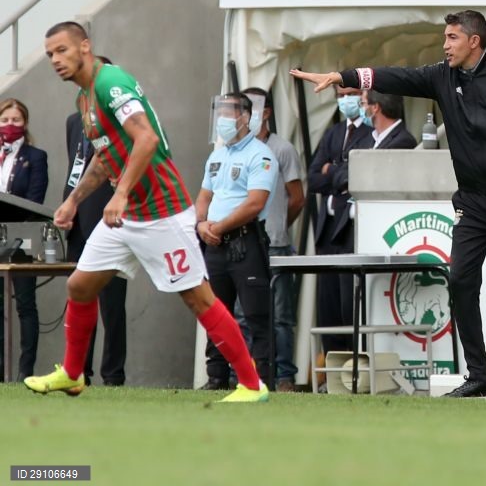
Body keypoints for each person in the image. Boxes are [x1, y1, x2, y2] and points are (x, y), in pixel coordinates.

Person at [292, 10, 486, 399]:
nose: (445, 45)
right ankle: (479, 377)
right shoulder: (441, 76)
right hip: (473, 203)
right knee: (461, 280)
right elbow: (394, 76)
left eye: (452, 38)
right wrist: (342, 76)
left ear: (474, 41)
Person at [24, 21, 266, 403]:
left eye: (62, 50)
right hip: (125, 216)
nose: (55, 59)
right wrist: (74, 200)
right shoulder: (85, 99)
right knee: (79, 286)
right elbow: (105, 157)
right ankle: (72, 374)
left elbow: (147, 138)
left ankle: (252, 385)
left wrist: (119, 194)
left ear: (85, 46)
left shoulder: (110, 83)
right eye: (50, 53)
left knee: (198, 298)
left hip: (161, 212)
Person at [196, 93, 277, 390]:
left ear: (245, 117)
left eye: (228, 113)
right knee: (215, 312)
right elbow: (204, 197)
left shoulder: (260, 155)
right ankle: (216, 376)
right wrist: (201, 224)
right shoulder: (217, 156)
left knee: (256, 314)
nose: (222, 120)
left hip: (246, 243)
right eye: (219, 113)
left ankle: (261, 378)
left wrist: (217, 227)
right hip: (214, 245)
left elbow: (255, 203)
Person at [63, 56, 128, 387]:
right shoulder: (75, 121)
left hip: (111, 215)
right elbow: (76, 167)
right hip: (79, 217)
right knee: (79, 294)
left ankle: (113, 374)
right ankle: (78, 370)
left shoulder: (122, 119)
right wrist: (69, 203)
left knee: (112, 303)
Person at [243, 87, 305, 392]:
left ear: (266, 113)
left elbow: (297, 197)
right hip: (243, 243)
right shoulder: (236, 150)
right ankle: (245, 374)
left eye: (249, 109)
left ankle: (284, 376)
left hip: (276, 243)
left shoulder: (283, 149)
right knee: (243, 313)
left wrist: (280, 225)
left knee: (281, 315)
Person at [307, 86, 373, 356]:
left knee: (350, 303)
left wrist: (331, 170)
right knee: (328, 304)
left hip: (351, 228)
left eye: (351, 93)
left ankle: (355, 361)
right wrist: (339, 176)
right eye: (341, 95)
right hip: (328, 229)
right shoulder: (333, 133)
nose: (346, 99)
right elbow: (313, 179)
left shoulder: (372, 133)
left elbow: (356, 177)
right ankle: (333, 365)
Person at [0, 98, 48, 381]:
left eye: (15, 120)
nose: (10, 125)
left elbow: (35, 200)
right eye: (5, 120)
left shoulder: (36, 157)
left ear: (25, 123)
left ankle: (24, 372)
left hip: (22, 237)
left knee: (25, 304)